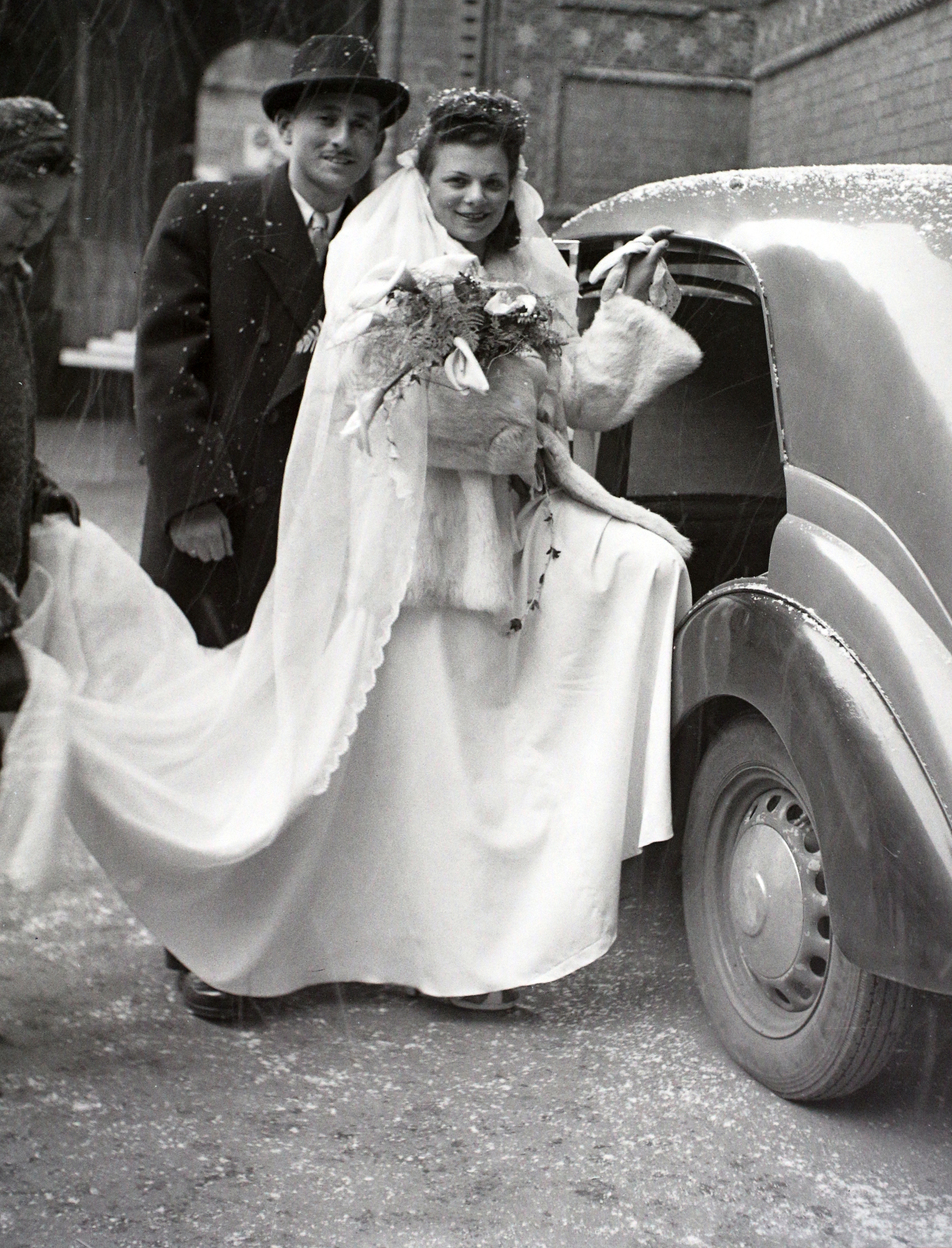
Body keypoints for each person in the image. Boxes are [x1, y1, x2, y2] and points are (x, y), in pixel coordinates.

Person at [0, 88, 701, 1024]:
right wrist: (462, 369)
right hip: (390, 543)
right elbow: (362, 403)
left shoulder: (535, 262)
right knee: (361, 759)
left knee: (469, 754)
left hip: (498, 540)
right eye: (457, 178)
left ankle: (460, 951)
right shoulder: (380, 246)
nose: (475, 198)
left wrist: (627, 322)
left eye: (493, 180)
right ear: (422, 172)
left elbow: (576, 402)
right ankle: (275, 945)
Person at [135, 35, 409, 646]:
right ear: (285, 128)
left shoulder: (386, 248)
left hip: (318, 517)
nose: (342, 138)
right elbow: (166, 365)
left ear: (378, 144)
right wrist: (192, 498)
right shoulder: (208, 213)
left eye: (361, 125)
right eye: (325, 119)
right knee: (189, 684)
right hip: (219, 516)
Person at [0, 98, 80, 728]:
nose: (34, 229)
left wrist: (35, 481)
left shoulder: (11, 280)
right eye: (24, 210)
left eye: (49, 216)